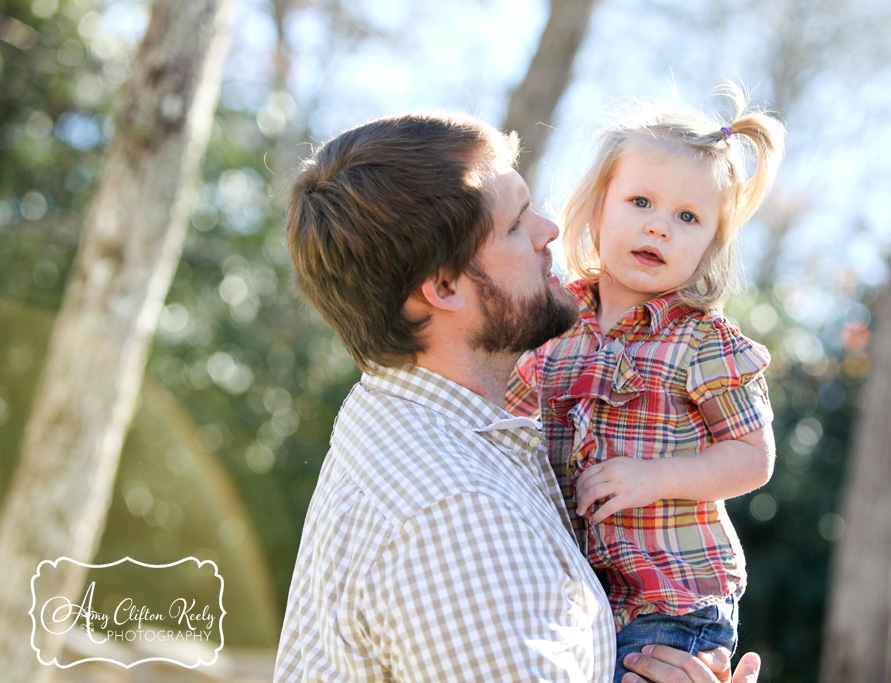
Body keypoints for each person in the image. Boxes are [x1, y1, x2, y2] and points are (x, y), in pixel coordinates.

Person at [273, 110, 760, 682]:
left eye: (686, 216)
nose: (549, 229)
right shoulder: (457, 514)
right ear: (445, 287)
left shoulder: (409, 426)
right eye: (515, 224)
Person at [507, 84, 785, 681]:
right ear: (598, 208)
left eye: (687, 218)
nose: (660, 227)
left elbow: (752, 456)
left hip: (675, 599)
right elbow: (502, 422)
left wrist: (655, 478)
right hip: (580, 599)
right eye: (641, 202)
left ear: (710, 244)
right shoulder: (553, 325)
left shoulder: (703, 342)